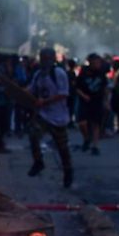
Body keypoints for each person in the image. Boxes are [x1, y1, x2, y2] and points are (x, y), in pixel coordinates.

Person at [25, 48, 74, 187]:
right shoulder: (38, 75)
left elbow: (63, 93)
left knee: (62, 148)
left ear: (53, 59)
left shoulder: (59, 73)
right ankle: (38, 162)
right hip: (44, 115)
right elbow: (31, 89)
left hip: (59, 116)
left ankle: (68, 172)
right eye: (42, 57)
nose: (44, 60)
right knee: (33, 133)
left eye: (47, 57)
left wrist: (45, 102)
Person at [77, 54, 109, 155]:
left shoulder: (101, 73)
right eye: (95, 62)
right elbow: (76, 87)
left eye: (98, 62)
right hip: (85, 101)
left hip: (97, 101)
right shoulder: (84, 72)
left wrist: (106, 101)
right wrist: (83, 95)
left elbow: (105, 88)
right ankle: (87, 138)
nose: (97, 64)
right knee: (82, 122)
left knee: (96, 123)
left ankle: (95, 146)